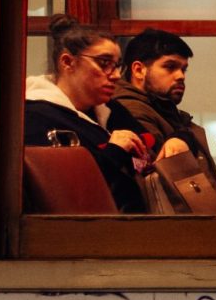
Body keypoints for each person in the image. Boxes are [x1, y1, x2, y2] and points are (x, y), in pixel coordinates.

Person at [24, 14, 148, 212]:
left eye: (117, 65)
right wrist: (114, 151)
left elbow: (149, 149)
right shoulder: (37, 115)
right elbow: (62, 189)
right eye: (104, 63)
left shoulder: (110, 110)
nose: (116, 76)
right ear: (68, 62)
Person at [107, 27, 216, 182]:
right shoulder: (130, 111)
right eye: (170, 66)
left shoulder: (164, 110)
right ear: (139, 70)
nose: (181, 76)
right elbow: (161, 180)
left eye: (183, 69)